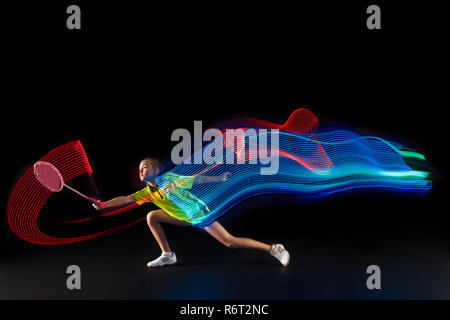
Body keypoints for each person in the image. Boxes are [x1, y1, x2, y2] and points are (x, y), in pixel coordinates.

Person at [93, 158, 290, 267]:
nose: (141, 170)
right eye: (139, 169)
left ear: (156, 169)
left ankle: (273, 249)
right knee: (151, 216)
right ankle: (168, 255)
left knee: (230, 242)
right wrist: (104, 205)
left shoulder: (169, 179)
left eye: (145, 167)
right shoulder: (147, 193)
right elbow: (126, 199)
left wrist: (220, 177)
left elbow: (198, 180)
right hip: (181, 218)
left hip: (198, 214)